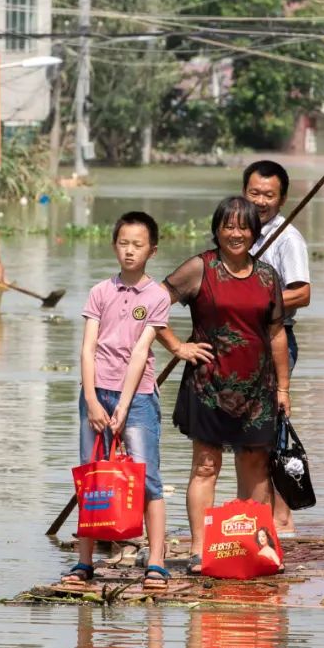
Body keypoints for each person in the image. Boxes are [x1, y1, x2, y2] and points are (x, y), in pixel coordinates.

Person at [61, 211, 189, 596]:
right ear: (114, 245)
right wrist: (91, 399)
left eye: (138, 245)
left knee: (148, 480)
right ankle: (85, 563)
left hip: (138, 398)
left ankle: (156, 563)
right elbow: (87, 348)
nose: (130, 251)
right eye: (123, 243)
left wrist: (123, 406)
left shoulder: (156, 296)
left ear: (152, 250)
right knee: (92, 476)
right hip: (95, 394)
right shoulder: (101, 291)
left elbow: (140, 352)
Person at [160, 195, 290, 576]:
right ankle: (200, 550)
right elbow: (148, 306)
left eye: (243, 227)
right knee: (205, 466)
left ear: (254, 232)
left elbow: (277, 332)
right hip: (209, 384)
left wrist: (283, 389)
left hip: (258, 387)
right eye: (228, 226)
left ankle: (252, 545)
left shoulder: (268, 276)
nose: (235, 233)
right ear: (216, 229)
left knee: (255, 464)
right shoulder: (200, 268)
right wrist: (176, 345)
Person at [242, 159, 310, 537]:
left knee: (271, 429)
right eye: (255, 192)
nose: (261, 200)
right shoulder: (239, 231)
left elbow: (302, 292)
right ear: (244, 193)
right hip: (239, 345)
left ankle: (282, 520)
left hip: (274, 342)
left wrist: (256, 302)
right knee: (250, 431)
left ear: (282, 198)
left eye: (269, 194)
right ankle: (258, 512)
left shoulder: (286, 238)